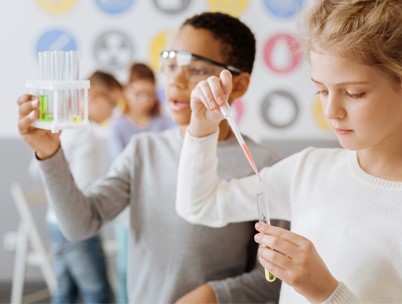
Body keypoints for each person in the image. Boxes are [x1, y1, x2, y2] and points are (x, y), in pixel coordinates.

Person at [175, 1, 402, 303]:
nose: (331, 111)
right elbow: (199, 205)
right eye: (322, 90)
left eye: (354, 93)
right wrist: (202, 129)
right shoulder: (309, 170)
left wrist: (326, 292)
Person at [17, 12, 287, 303]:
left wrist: (213, 295)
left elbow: (272, 278)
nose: (176, 80)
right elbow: (80, 224)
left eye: (196, 69)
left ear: (239, 84)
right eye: (171, 64)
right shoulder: (142, 151)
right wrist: (49, 153)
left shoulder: (263, 167)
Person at [29, 70, 123, 304]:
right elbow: (85, 186)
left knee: (65, 293)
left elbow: (35, 169)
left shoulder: (62, 127)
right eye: (111, 103)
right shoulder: (85, 131)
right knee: (97, 293)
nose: (112, 111)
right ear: (93, 96)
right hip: (76, 225)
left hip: (55, 222)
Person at [108, 62, 173, 304]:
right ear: (127, 92)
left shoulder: (163, 122)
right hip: (128, 206)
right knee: (127, 264)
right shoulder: (118, 126)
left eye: (149, 93)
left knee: (158, 263)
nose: (144, 99)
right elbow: (120, 166)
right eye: (138, 93)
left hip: (160, 205)